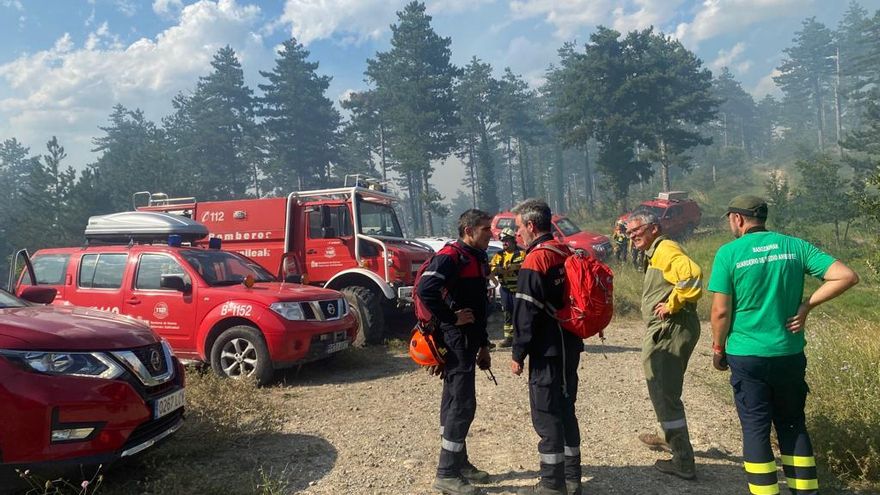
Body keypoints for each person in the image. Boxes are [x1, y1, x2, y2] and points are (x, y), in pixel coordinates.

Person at [708, 195, 859, 495]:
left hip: (747, 355)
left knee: (755, 429)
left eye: (729, 219)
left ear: (737, 219)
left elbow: (720, 312)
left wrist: (717, 349)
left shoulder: (728, 254)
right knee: (792, 424)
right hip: (788, 352)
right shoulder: (795, 246)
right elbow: (846, 276)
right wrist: (807, 306)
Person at [509, 199, 584, 495]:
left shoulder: (535, 260)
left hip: (547, 350)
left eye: (518, 228)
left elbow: (525, 314)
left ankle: (552, 484)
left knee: (546, 412)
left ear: (530, 225)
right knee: (566, 408)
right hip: (570, 344)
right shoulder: (565, 251)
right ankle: (573, 477)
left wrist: (517, 353)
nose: (517, 235)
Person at [419, 209, 494, 495]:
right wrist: (451, 317)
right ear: (468, 230)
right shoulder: (451, 257)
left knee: (453, 400)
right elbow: (427, 289)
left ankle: (459, 464)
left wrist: (484, 345)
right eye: (486, 229)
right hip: (456, 339)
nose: (491, 233)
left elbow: (480, 306)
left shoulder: (477, 257)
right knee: (462, 404)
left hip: (471, 339)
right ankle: (446, 473)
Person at [626, 212, 702, 480]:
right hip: (670, 329)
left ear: (654, 229)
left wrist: (672, 304)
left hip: (670, 329)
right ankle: (667, 435)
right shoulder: (656, 251)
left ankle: (683, 460)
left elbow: (692, 276)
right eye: (628, 232)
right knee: (664, 386)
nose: (632, 236)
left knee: (664, 390)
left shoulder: (666, 249)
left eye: (637, 230)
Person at [490, 228, 525, 348]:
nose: (504, 243)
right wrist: (500, 270)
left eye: (506, 241)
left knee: (520, 313)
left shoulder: (522, 253)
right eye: (502, 241)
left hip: (519, 290)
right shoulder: (499, 255)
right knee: (508, 313)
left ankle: (521, 337)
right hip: (505, 290)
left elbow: (527, 267)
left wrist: (515, 267)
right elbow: (491, 269)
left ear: (513, 240)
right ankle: (509, 338)